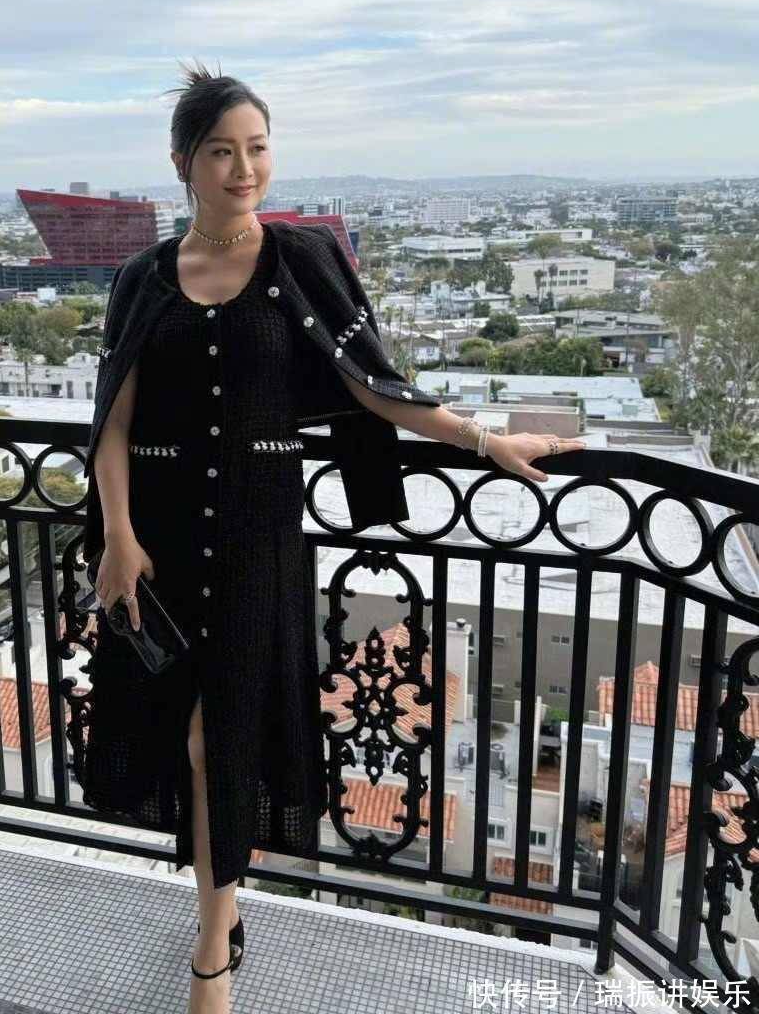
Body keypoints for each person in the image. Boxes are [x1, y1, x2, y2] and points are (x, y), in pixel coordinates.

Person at [81, 62, 585, 1014]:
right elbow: (113, 418)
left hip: (258, 539)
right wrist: (118, 534)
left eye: (258, 149)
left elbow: (374, 388)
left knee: (221, 736)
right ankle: (223, 914)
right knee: (183, 732)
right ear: (183, 163)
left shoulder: (301, 261)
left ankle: (211, 950)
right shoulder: (142, 279)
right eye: (221, 152)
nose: (244, 170)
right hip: (160, 540)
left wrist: (486, 441)